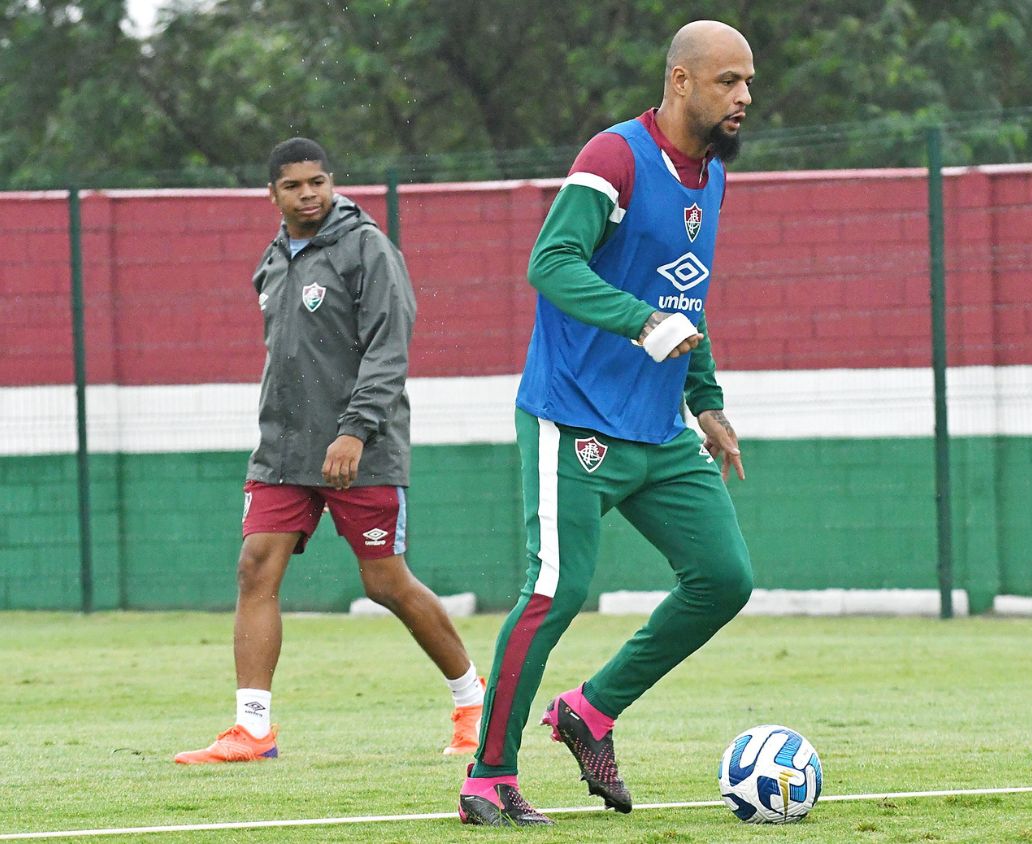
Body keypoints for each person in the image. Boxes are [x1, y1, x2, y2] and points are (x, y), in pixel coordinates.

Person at [457, 20, 756, 826]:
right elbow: (549, 263)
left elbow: (686, 293)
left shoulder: (712, 179)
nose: (744, 98)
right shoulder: (614, 157)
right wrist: (638, 323)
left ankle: (589, 712)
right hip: (575, 416)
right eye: (729, 81)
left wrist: (707, 400)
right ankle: (489, 774)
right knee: (555, 591)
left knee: (725, 579)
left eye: (749, 83)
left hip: (660, 429)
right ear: (682, 81)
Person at [175, 138, 485, 764]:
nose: (308, 194)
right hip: (282, 453)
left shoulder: (366, 247)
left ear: (332, 182)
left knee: (386, 584)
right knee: (255, 569)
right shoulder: (271, 262)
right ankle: (253, 729)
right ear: (273, 195)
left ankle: (474, 704)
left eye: (318, 181)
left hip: (361, 449)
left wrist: (354, 428)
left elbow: (389, 346)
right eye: (293, 186)